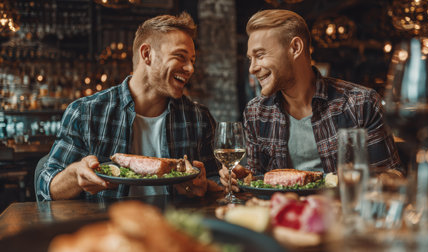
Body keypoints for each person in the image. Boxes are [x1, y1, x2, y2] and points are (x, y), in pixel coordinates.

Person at [36, 12, 220, 201]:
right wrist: (75, 174)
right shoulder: (86, 112)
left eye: (192, 60)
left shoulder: (199, 118)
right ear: (147, 54)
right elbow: (46, 189)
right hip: (108, 226)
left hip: (175, 226)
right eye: (180, 57)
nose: (190, 68)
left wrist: (206, 186)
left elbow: (218, 182)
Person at [219, 9, 403, 192]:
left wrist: (362, 179)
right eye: (251, 59)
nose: (252, 68)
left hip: (341, 215)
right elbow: (257, 179)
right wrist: (242, 178)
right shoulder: (255, 112)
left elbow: (393, 175)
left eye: (260, 55)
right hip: (282, 216)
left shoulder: (361, 103)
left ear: (295, 48)